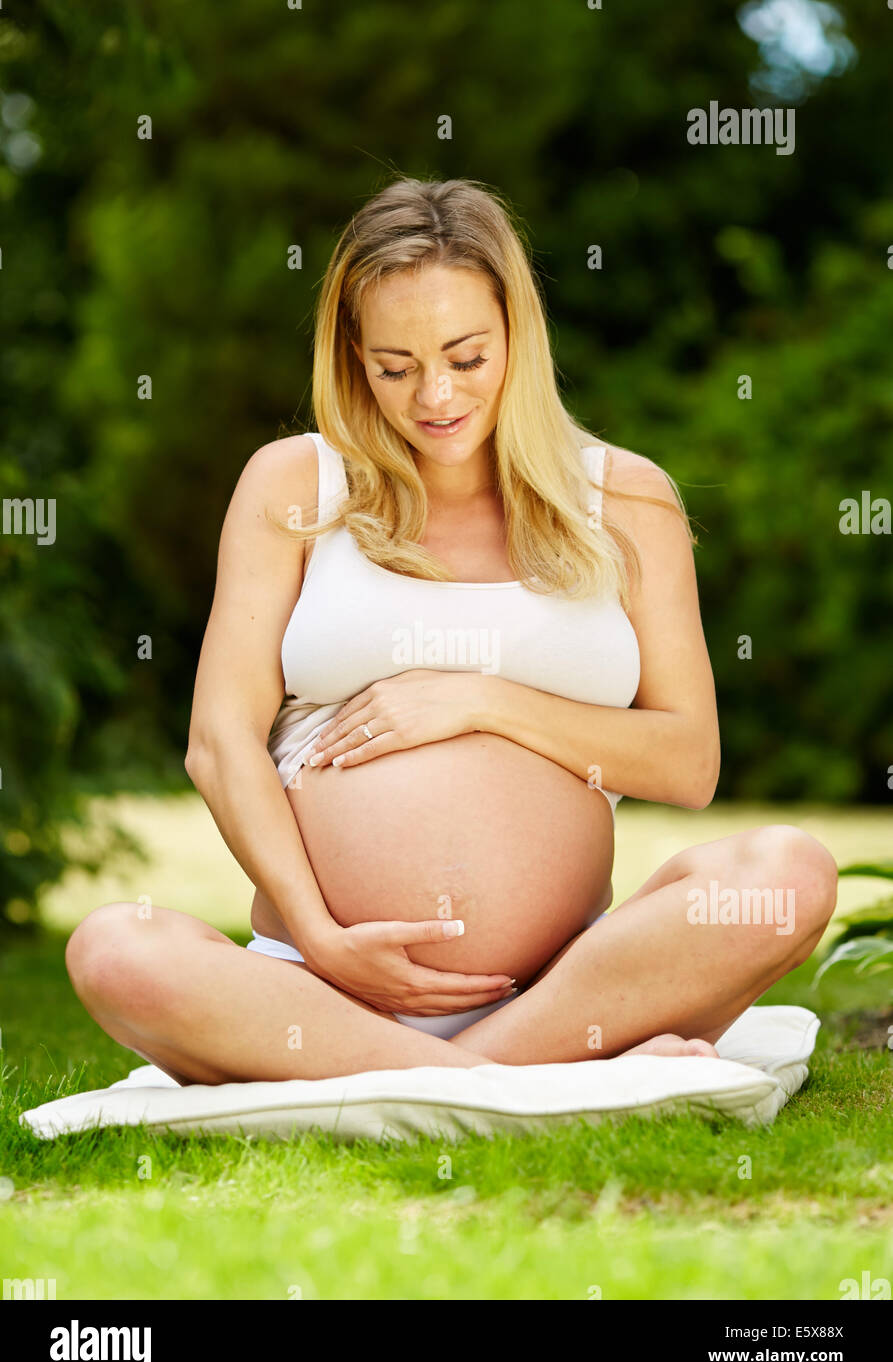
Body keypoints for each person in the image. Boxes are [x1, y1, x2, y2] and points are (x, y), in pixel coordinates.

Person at [66, 177, 838, 1084]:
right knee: (113, 948)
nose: (434, 395)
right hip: (317, 988)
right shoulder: (292, 484)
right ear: (352, 358)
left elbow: (687, 761)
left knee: (786, 874)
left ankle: (442, 1075)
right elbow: (217, 743)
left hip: (562, 987)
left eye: (466, 358)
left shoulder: (624, 500)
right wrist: (320, 932)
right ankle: (512, 1084)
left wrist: (482, 702)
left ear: (518, 334)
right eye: (394, 367)